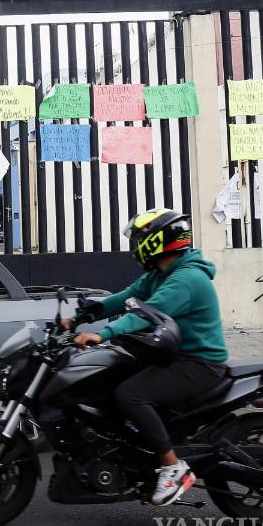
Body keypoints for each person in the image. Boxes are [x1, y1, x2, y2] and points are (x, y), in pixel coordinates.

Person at [64, 208, 228, 507]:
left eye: (141, 239)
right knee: (113, 375)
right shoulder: (159, 275)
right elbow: (123, 299)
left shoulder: (187, 279)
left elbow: (144, 314)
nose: (136, 245)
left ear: (158, 240)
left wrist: (103, 334)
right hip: (172, 357)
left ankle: (173, 467)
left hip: (199, 363)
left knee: (132, 394)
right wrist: (80, 316)